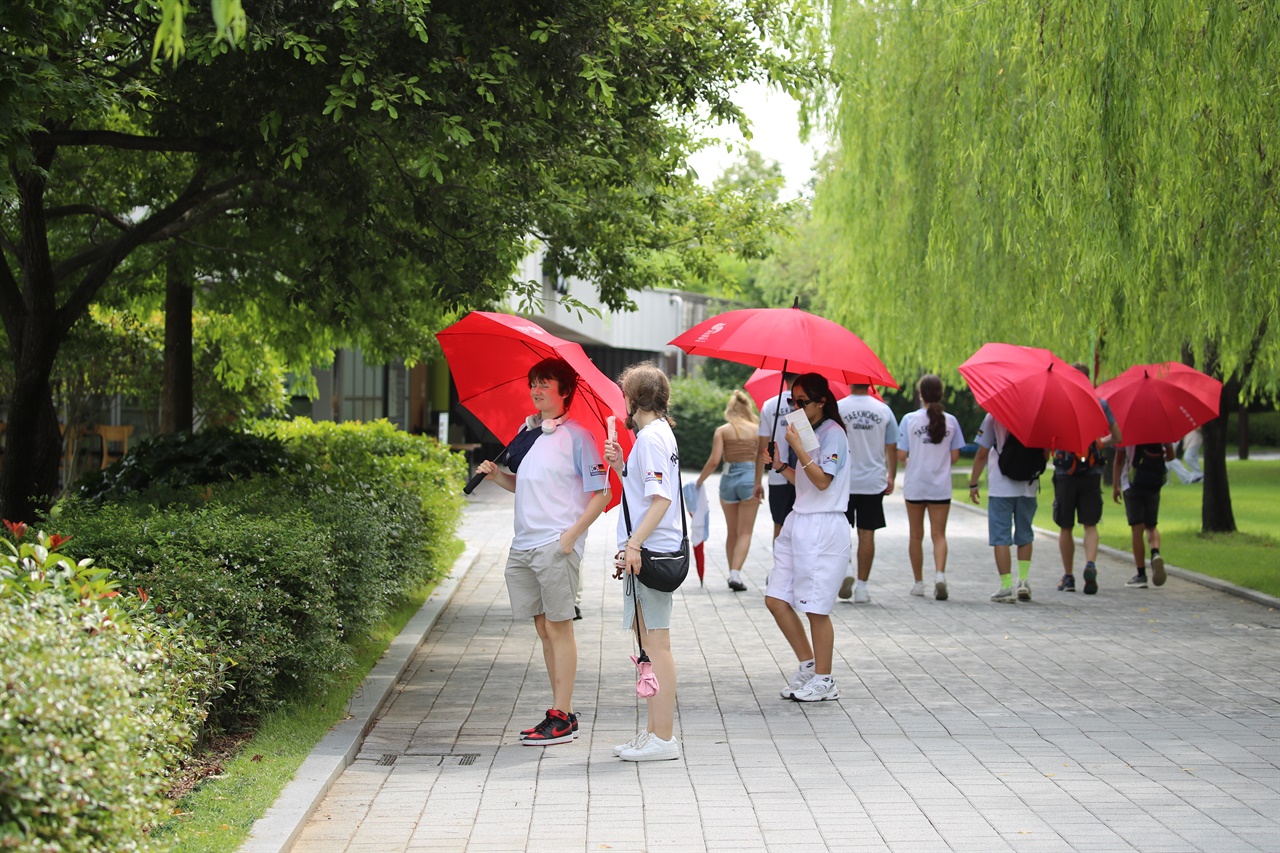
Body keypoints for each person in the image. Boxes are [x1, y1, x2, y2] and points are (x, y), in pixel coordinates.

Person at [476, 357, 610, 745]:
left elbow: (601, 493)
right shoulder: (527, 431)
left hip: (555, 544)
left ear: (565, 391)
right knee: (542, 626)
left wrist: (570, 537)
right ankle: (560, 710)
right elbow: (524, 486)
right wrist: (497, 475)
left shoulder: (580, 437)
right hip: (524, 544)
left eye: (545, 384)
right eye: (533, 383)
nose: (536, 390)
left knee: (558, 626)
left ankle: (561, 716)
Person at [604, 362, 684, 761]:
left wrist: (634, 544)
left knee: (656, 644)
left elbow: (661, 499)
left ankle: (663, 737)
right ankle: (655, 733)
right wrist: (621, 465)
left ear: (633, 399)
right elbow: (645, 492)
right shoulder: (656, 435)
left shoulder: (652, 437)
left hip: (651, 551)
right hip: (650, 548)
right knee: (651, 645)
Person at [763, 373, 852, 703]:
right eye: (792, 401)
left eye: (802, 402)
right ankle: (809, 665)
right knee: (776, 598)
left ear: (821, 402)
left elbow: (823, 481)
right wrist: (779, 465)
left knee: (815, 606)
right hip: (798, 520)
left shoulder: (834, 435)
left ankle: (825, 679)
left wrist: (798, 448)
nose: (796, 407)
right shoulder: (807, 431)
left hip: (824, 526)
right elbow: (801, 479)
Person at [1052, 363, 1122, 594]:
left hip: (1065, 473)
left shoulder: (1060, 404)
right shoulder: (1100, 404)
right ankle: (1090, 564)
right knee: (1090, 524)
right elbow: (1118, 436)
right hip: (1091, 473)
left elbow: (1051, 438)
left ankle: (1068, 576)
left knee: (1066, 526)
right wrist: (1100, 443)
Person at [896, 375, 964, 601]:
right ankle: (940, 575)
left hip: (916, 484)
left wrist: (911, 463)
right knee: (939, 534)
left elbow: (901, 454)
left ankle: (918, 583)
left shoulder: (909, 420)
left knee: (916, 535)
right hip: (940, 486)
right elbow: (955, 456)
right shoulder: (951, 421)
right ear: (941, 394)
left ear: (920, 394)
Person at [969, 413, 1044, 603]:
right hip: (1028, 486)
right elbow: (1045, 454)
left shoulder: (994, 415)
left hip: (1001, 486)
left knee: (1001, 537)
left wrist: (973, 482)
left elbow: (982, 453)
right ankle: (1024, 581)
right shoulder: (1038, 416)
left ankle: (1006, 586)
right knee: (1025, 534)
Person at [695, 389, 762, 592]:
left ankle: (731, 571)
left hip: (728, 479)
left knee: (732, 531)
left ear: (730, 410)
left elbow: (715, 460)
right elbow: (761, 458)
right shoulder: (758, 429)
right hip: (750, 478)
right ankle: (735, 574)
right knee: (745, 531)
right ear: (747, 408)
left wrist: (699, 481)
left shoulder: (723, 430)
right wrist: (759, 482)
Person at [836, 384, 898, 603]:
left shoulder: (839, 408)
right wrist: (891, 475)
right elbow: (892, 447)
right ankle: (862, 588)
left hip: (845, 479)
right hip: (873, 480)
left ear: (850, 383)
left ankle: (847, 569)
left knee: (842, 529)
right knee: (867, 532)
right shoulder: (884, 410)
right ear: (871, 384)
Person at [1114, 441, 1176, 588]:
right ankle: (1155, 553)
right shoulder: (1161, 428)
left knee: (1137, 529)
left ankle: (1141, 575)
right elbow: (1171, 456)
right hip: (1154, 482)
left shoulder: (1126, 429)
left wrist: (1116, 486)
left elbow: (1119, 460)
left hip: (1132, 483)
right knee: (1151, 525)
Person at [755, 374, 799, 539]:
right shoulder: (807, 405)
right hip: (803, 474)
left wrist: (757, 482)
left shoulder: (770, 405)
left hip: (777, 475)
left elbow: (762, 448)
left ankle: (780, 565)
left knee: (779, 527)